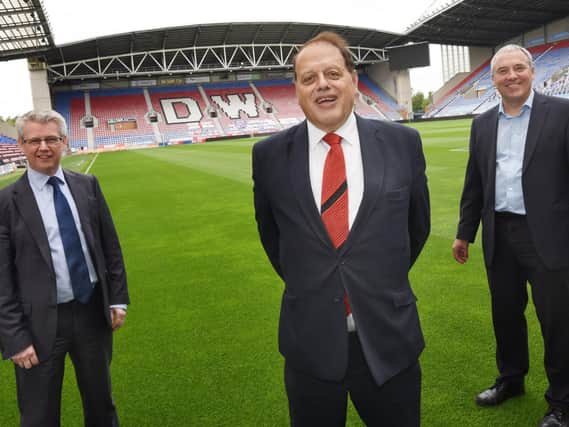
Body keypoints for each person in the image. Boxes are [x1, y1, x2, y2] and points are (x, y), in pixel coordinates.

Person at [252, 31, 430, 426]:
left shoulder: (403, 143)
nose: (322, 85)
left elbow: (416, 229)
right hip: (310, 347)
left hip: (389, 339)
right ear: (296, 90)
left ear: (352, 78)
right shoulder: (268, 156)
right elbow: (275, 240)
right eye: (309, 78)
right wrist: (319, 280)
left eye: (332, 73)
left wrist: (374, 279)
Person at [453, 44, 569, 427]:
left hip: (549, 236)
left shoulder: (562, 114)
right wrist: (464, 233)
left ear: (532, 72)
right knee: (505, 314)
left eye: (519, 68)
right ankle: (512, 379)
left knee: (557, 320)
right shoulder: (483, 124)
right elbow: (475, 184)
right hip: (499, 233)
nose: (512, 76)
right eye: (503, 70)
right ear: (494, 79)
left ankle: (562, 402)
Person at [0, 110, 130, 426]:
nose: (43, 147)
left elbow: (109, 246)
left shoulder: (87, 185)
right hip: (37, 324)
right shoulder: (6, 201)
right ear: (21, 144)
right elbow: (1, 277)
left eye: (51, 139)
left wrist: (116, 298)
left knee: (101, 405)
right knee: (39, 415)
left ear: (64, 142)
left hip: (90, 314)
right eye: (34, 140)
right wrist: (14, 337)